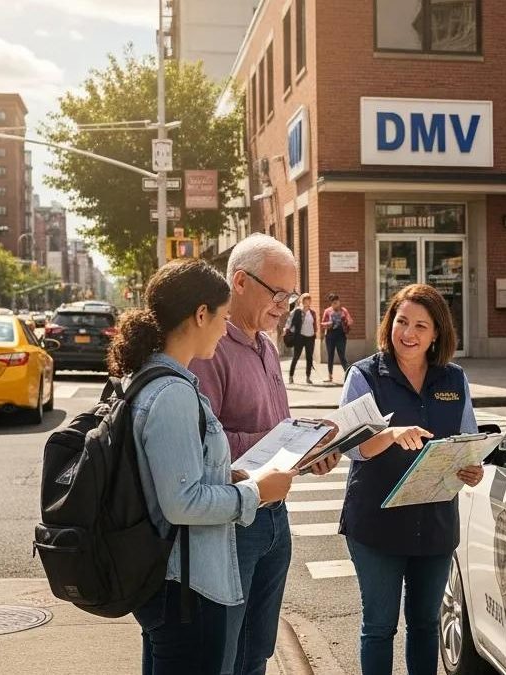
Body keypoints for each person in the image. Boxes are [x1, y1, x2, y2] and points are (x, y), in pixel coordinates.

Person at [108, 259, 297, 675]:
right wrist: (255, 492)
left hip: (173, 578)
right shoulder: (172, 393)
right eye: (222, 317)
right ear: (200, 315)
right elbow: (182, 502)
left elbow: (172, 472)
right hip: (187, 585)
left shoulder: (154, 379)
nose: (225, 329)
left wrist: (225, 474)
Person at [188, 234, 340, 675]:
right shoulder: (209, 349)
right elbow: (203, 443)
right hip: (235, 521)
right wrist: (280, 442)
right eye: (277, 294)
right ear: (239, 282)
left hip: (276, 518)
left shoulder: (268, 347)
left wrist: (309, 450)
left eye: (290, 296)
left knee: (258, 651)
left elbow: (276, 426)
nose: (283, 306)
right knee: (225, 654)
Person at [338, 283, 485, 675]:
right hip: (376, 523)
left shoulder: (454, 379)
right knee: (379, 626)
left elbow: (466, 440)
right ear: (390, 323)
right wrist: (388, 435)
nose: (408, 333)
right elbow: (350, 446)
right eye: (402, 321)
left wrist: (471, 468)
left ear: (436, 333)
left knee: (425, 623)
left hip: (435, 522)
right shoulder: (365, 375)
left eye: (421, 326)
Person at [283, 292, 317, 384]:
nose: (307, 302)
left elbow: (314, 324)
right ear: (302, 301)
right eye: (305, 300)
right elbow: (290, 321)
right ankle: (291, 376)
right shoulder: (298, 311)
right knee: (296, 357)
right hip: (300, 337)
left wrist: (315, 333)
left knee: (309, 358)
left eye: (309, 300)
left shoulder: (312, 312)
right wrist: (286, 329)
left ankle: (308, 377)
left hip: (310, 337)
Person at [321, 292, 353, 383]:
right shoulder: (327, 311)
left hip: (341, 335)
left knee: (342, 355)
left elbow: (350, 321)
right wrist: (328, 324)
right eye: (333, 303)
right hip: (330, 335)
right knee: (330, 355)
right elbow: (322, 323)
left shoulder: (344, 311)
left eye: (337, 302)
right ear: (331, 303)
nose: (336, 304)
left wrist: (348, 321)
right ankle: (330, 376)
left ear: (339, 302)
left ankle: (348, 376)